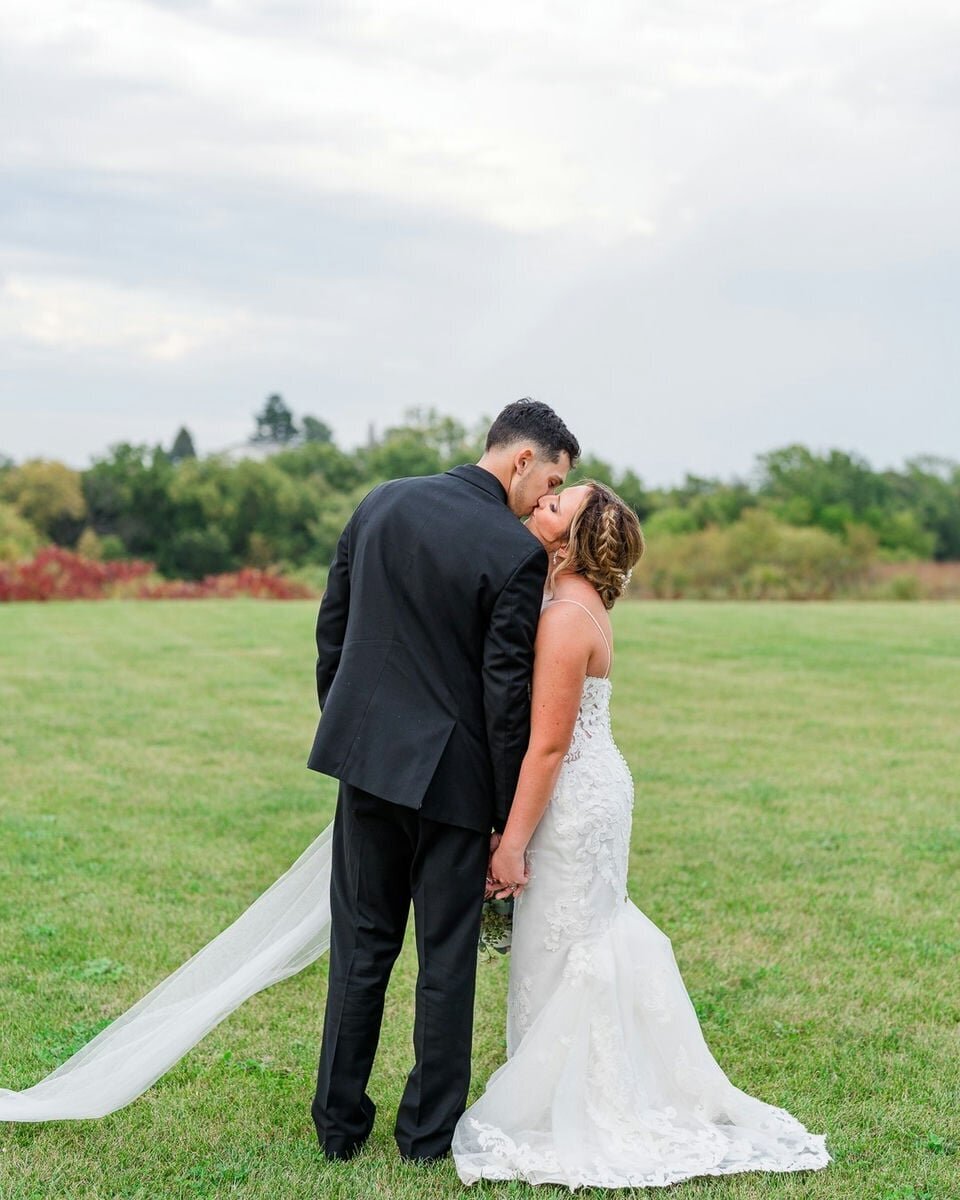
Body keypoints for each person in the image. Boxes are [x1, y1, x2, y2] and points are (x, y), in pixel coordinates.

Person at [452, 481, 831, 1189]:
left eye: (555, 507)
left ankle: (577, 1104)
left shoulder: (566, 616)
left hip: (574, 799)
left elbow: (548, 748)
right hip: (589, 790)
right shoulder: (570, 601)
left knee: (568, 946)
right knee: (574, 940)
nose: (540, 505)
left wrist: (509, 843)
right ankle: (564, 1090)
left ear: (569, 540)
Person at [305, 398, 578, 1162]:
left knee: (360, 948)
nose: (543, 499)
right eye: (550, 479)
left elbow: (334, 625)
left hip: (366, 766)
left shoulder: (382, 501)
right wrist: (501, 816)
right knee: (446, 962)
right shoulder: (515, 551)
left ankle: (338, 1126)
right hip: (454, 787)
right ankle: (426, 1137)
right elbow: (503, 700)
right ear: (522, 459)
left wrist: (353, 725)